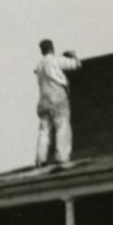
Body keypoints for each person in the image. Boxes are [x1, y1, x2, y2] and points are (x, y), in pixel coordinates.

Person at [34, 38, 81, 166]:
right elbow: (76, 65)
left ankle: (40, 159)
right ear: (52, 48)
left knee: (44, 131)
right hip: (57, 97)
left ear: (41, 50)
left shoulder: (39, 65)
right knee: (62, 126)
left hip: (43, 100)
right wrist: (73, 55)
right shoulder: (55, 60)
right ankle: (62, 156)